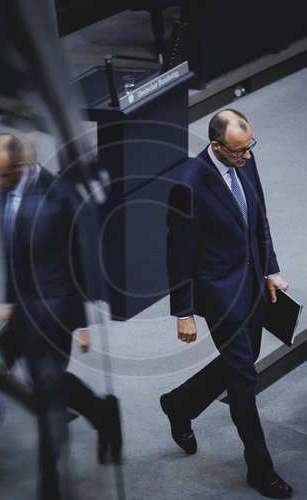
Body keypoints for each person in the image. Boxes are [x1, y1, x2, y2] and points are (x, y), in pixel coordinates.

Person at [160, 109, 292, 498]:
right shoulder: (188, 184)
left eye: (249, 147)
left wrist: (271, 269)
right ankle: (260, 469)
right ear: (216, 146)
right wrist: (183, 313)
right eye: (238, 152)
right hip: (220, 295)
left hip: (253, 284)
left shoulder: (245, 160)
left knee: (243, 362)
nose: (247, 157)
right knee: (243, 380)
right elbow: (178, 255)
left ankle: (179, 404)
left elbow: (259, 219)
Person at [0, 133, 122, 500]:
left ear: (19, 168)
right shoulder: (3, 186)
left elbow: (77, 263)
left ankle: (50, 487)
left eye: (2, 176)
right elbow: (7, 245)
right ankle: (103, 414)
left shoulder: (58, 196)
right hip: (24, 313)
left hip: (56, 312)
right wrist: (7, 298)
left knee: (47, 399)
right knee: (46, 388)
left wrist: (81, 323)